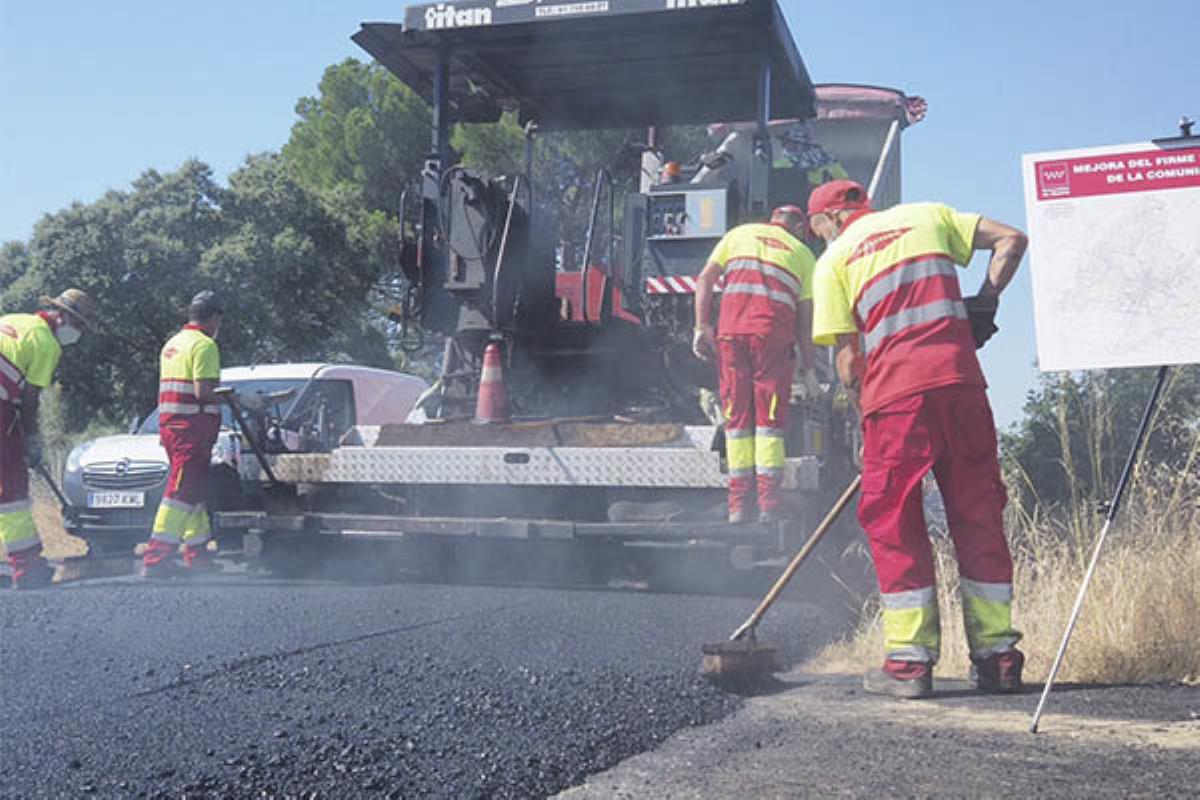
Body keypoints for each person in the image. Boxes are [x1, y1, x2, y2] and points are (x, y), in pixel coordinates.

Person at [807, 179, 1028, 698]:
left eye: (818, 230)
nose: (820, 239)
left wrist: (865, 422)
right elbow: (1012, 239)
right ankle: (998, 659)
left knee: (893, 519)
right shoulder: (928, 216)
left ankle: (909, 665)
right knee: (977, 514)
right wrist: (986, 301)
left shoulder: (835, 258)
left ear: (830, 220)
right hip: (962, 386)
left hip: (896, 401)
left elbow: (847, 362)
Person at [693, 206, 820, 524]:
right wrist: (809, 369)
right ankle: (768, 505)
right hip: (772, 342)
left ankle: (737, 506)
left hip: (731, 335)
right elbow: (805, 322)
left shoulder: (738, 235)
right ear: (799, 228)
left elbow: (705, 279)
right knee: (769, 425)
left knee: (737, 421)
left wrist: (701, 327)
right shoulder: (804, 254)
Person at [0, 289, 97, 589]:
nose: (78, 333)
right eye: (79, 325)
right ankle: (27, 567)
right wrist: (31, 440)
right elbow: (30, 399)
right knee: (13, 489)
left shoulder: (14, 320)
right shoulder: (46, 343)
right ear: (63, 316)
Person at [141, 291, 224, 577]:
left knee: (194, 491)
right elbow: (203, 392)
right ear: (214, 318)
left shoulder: (173, 344)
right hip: (193, 430)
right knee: (181, 492)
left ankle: (198, 554)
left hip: (172, 426)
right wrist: (235, 399)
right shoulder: (205, 345)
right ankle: (156, 557)